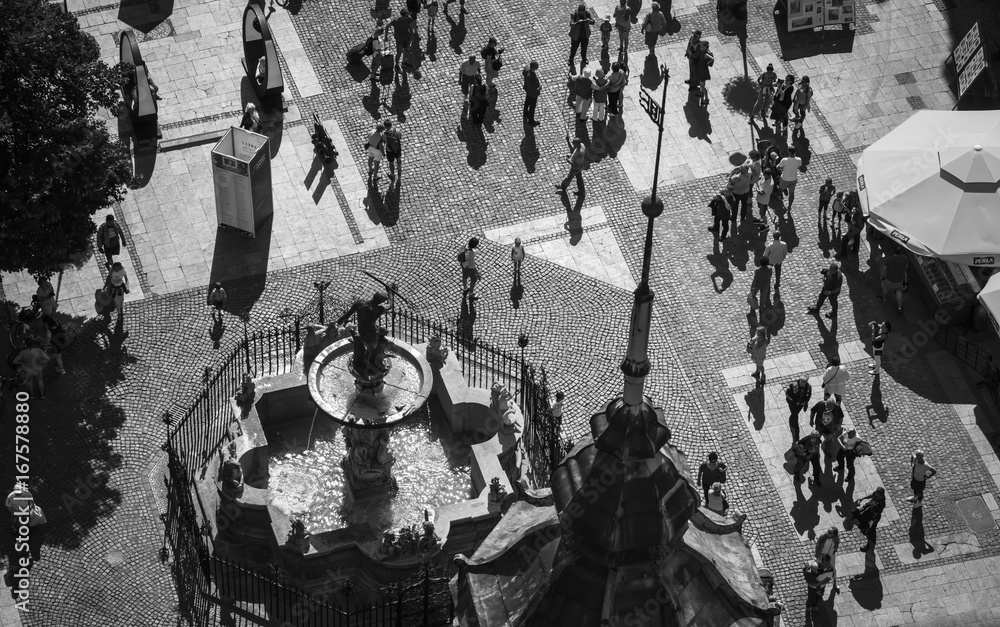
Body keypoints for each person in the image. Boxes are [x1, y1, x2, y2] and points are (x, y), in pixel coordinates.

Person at [850, 487, 886, 552]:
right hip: (870, 511)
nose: (876, 494)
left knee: (869, 531)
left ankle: (868, 545)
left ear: (880, 495)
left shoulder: (880, 504)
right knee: (860, 518)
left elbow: (873, 510)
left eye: (877, 494)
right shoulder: (877, 495)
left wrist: (871, 523)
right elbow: (873, 495)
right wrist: (863, 498)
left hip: (874, 517)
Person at [809, 398, 844, 465]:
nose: (828, 409)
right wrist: (811, 420)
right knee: (816, 440)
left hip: (830, 429)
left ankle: (827, 450)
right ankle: (816, 453)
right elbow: (813, 411)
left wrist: (839, 424)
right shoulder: (821, 404)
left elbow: (841, 417)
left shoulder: (837, 408)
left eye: (830, 409)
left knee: (829, 441)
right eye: (827, 407)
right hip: (820, 426)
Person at [880, 247, 908, 313]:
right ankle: (899, 307)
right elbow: (906, 268)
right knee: (899, 292)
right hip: (899, 280)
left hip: (889, 280)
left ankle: (884, 299)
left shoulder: (889, 260)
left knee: (885, 288)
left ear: (894, 251)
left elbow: (884, 269)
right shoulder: (905, 258)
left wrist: (882, 276)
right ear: (901, 252)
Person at [785, 378, 812, 444]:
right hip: (792, 403)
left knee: (795, 414)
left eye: (803, 382)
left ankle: (792, 419)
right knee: (795, 416)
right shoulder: (794, 385)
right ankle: (796, 433)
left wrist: (805, 402)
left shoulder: (808, 387)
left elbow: (808, 395)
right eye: (801, 382)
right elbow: (788, 394)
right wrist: (795, 401)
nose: (801, 383)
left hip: (800, 404)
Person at [815, 527, 841, 592]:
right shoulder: (823, 537)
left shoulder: (836, 539)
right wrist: (818, 554)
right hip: (822, 555)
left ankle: (834, 582)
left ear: (833, 534)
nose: (827, 532)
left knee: (833, 569)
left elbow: (836, 545)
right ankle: (817, 584)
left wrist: (834, 551)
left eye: (830, 532)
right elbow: (817, 545)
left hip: (831, 555)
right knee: (818, 569)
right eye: (828, 531)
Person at [694, 40, 713, 106]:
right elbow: (695, 47)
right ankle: (701, 93)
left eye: (702, 46)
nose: (700, 47)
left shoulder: (705, 54)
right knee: (701, 83)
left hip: (703, 71)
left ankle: (706, 99)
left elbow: (712, 59)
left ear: (705, 47)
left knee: (702, 85)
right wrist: (698, 44)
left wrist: (708, 62)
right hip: (701, 69)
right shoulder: (703, 51)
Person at [522, 61, 541, 125]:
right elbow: (533, 89)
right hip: (532, 93)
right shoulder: (532, 76)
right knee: (532, 107)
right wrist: (539, 88)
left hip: (528, 90)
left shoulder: (527, 68)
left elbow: (523, 73)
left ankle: (525, 113)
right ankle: (531, 120)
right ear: (534, 68)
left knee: (527, 102)